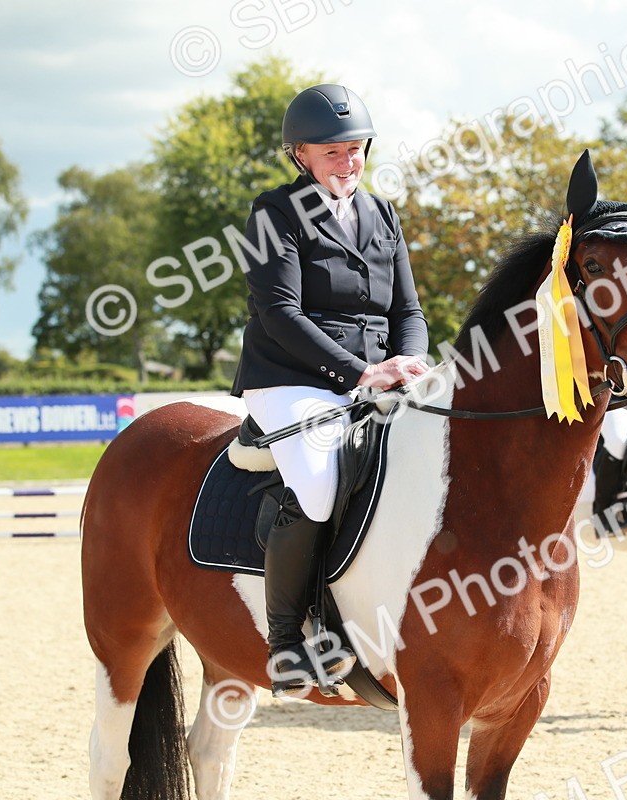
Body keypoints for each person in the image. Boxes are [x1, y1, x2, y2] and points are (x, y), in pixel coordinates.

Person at [230, 83, 430, 696]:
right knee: (318, 480)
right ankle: (286, 640)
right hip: (291, 377)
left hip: (377, 375)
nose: (348, 163)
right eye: (331, 153)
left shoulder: (382, 213)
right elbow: (280, 314)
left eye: (355, 150)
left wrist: (411, 361)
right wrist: (361, 373)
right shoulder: (276, 213)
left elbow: (409, 309)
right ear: (301, 156)